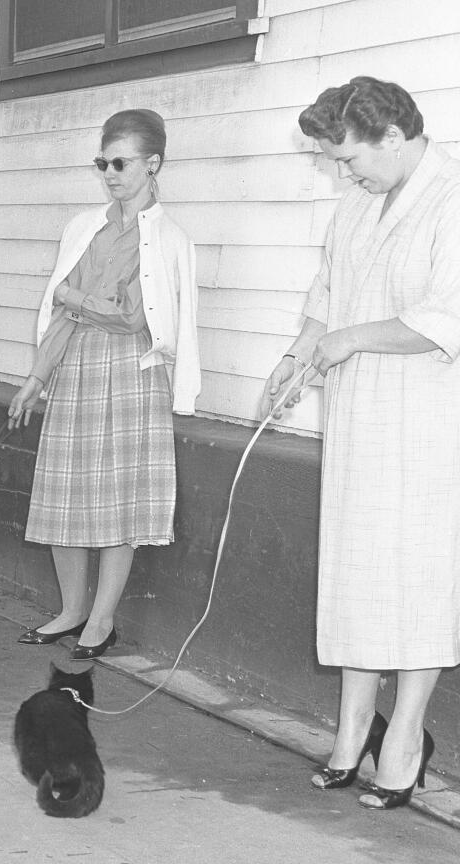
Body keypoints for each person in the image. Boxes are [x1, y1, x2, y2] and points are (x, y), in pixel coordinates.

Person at [262, 77, 459, 811]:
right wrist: (294, 358)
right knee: (356, 574)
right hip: (357, 418)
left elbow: (447, 318)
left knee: (413, 580)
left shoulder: (453, 197)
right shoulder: (356, 203)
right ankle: (350, 733)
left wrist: (349, 339)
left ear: (394, 137)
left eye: (350, 159)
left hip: (427, 421)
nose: (344, 174)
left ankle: (404, 738)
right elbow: (326, 299)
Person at [7, 109, 200, 658]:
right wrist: (36, 376)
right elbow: (66, 308)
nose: (110, 173)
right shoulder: (83, 227)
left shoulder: (168, 238)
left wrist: (75, 298)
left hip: (131, 373)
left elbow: (135, 318)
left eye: (121, 162)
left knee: (118, 503)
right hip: (77, 368)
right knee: (63, 495)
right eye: (103, 162)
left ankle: (103, 619)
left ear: (153, 163)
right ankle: (70, 611)